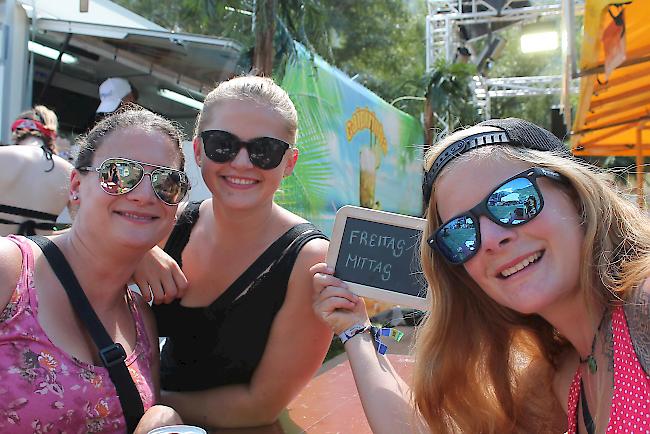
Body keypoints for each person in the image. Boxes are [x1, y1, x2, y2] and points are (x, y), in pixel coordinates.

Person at [312, 118, 649, 433]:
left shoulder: (642, 307)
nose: (489, 239)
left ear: (576, 194)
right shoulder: (564, 375)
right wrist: (355, 330)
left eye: (513, 200)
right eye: (460, 232)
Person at [132, 75, 332, 428]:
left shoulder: (309, 260)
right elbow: (71, 253)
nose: (242, 163)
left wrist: (140, 400)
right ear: (197, 151)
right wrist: (134, 251)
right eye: (222, 144)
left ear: (289, 162)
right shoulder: (166, 225)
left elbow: (258, 405)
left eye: (264, 151)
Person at [0, 108, 191, 432]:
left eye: (167, 182)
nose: (145, 195)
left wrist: (161, 420)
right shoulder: (9, 273)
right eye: (118, 174)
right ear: (76, 184)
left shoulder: (142, 321)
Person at [0, 106, 73, 236]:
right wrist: (47, 234)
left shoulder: (2, 156)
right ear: (51, 135)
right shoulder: (69, 172)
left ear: (16, 132)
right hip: (38, 254)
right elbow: (82, 228)